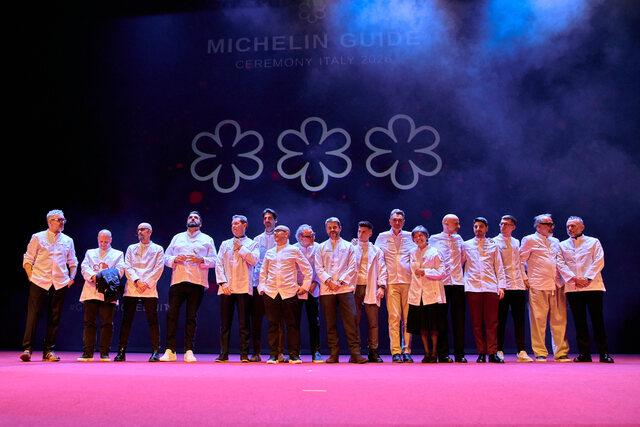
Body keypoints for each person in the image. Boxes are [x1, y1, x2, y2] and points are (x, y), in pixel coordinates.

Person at [20, 209, 78, 362]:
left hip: (59, 283)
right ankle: (27, 349)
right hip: (39, 281)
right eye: (59, 220)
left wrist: (71, 278)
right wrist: (31, 277)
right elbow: (28, 259)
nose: (62, 222)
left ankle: (49, 351)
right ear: (50, 221)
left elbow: (73, 262)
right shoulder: (38, 237)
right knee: (33, 315)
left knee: (54, 317)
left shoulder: (68, 240)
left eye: (63, 220)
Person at [160, 211, 217, 362]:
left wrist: (201, 259)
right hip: (178, 280)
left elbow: (215, 260)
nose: (192, 219)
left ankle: (189, 350)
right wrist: (174, 259)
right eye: (190, 217)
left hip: (197, 281)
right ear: (187, 221)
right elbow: (165, 257)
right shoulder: (177, 237)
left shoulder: (207, 239)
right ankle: (170, 350)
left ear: (200, 223)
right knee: (172, 315)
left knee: (191, 317)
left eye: (196, 217)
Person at [558, 216, 614, 363]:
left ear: (582, 227)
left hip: (593, 286)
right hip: (573, 287)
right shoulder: (562, 245)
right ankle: (584, 354)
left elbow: (599, 260)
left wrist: (587, 278)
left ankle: (604, 353)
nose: (570, 229)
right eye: (568, 226)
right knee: (579, 321)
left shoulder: (593, 242)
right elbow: (560, 264)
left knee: (597, 320)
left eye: (573, 226)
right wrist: (575, 279)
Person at [257, 225, 312, 364]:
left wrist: (305, 286)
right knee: (273, 325)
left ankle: (294, 355)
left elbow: (307, 269)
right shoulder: (270, 252)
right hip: (271, 292)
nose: (275, 233)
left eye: (278, 231)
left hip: (289, 292)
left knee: (292, 325)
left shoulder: (294, 250)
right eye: (274, 232)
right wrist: (262, 288)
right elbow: (263, 272)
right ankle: (273, 355)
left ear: (286, 234)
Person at [520, 214, 570, 362]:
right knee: (538, 320)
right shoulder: (529, 239)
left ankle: (561, 352)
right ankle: (540, 352)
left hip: (556, 284)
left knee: (559, 319)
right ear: (538, 226)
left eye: (551, 224)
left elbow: (560, 262)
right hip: (538, 284)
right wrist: (525, 278)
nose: (551, 226)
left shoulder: (555, 241)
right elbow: (520, 261)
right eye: (548, 224)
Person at [316, 217, 366, 364]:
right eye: (330, 227)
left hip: (345, 288)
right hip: (327, 289)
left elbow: (353, 266)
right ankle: (334, 353)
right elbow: (318, 268)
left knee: (351, 321)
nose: (332, 230)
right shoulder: (321, 247)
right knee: (330, 322)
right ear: (326, 230)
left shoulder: (349, 246)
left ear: (340, 228)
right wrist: (329, 281)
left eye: (335, 227)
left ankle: (355, 353)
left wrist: (340, 281)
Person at [115, 223, 165, 362]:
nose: (139, 232)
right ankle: (121, 352)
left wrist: (146, 283)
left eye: (142, 229)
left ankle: (155, 352)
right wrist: (137, 281)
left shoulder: (158, 249)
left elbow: (159, 268)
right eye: (138, 230)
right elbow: (127, 266)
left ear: (149, 232)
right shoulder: (131, 248)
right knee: (126, 321)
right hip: (133, 287)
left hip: (149, 289)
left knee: (152, 321)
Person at [214, 215, 259, 362]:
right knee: (225, 323)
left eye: (237, 223)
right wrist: (223, 283)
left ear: (245, 225)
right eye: (232, 224)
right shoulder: (225, 243)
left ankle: (244, 354)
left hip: (243, 287)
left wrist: (241, 248)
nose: (234, 226)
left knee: (244, 323)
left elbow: (254, 260)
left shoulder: (252, 244)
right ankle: (224, 353)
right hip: (227, 288)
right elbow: (219, 263)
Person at [462, 217, 506, 363]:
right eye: (475, 226)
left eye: (481, 226)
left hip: (490, 286)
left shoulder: (493, 245)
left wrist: (501, 286)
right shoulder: (466, 245)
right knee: (476, 322)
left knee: (492, 322)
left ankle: (492, 353)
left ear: (486, 228)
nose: (478, 229)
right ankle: (481, 353)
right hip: (473, 287)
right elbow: (459, 263)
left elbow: (499, 266)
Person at [374, 209, 415, 363]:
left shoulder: (410, 236)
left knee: (408, 318)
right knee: (394, 318)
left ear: (403, 222)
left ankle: (407, 350)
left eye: (400, 220)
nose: (397, 222)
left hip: (409, 282)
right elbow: (376, 257)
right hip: (391, 282)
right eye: (394, 220)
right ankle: (396, 351)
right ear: (390, 221)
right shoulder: (382, 237)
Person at [77, 230, 125, 362]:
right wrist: (94, 276)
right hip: (91, 290)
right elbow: (84, 267)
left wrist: (103, 275)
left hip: (108, 292)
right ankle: (88, 353)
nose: (103, 244)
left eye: (106, 241)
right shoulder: (90, 252)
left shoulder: (118, 254)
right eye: (101, 241)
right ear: (98, 239)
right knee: (89, 323)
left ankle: (104, 353)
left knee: (107, 323)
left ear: (111, 240)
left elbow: (120, 271)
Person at [493, 215, 533, 362]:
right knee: (501, 319)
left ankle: (521, 350)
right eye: (501, 224)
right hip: (503, 286)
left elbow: (519, 263)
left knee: (520, 319)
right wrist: (499, 285)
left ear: (513, 227)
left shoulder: (517, 242)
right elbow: (495, 265)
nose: (503, 226)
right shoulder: (493, 242)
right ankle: (499, 349)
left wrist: (525, 279)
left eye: (506, 224)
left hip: (518, 285)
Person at [428, 214, 465, 363]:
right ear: (445, 223)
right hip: (441, 283)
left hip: (457, 282)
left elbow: (463, 258)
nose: (458, 226)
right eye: (455, 223)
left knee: (459, 319)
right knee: (441, 320)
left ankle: (459, 353)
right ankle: (443, 354)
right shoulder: (434, 239)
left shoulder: (459, 239)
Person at [407, 226, 445, 363]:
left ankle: (434, 353)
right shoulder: (412, 252)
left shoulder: (435, 252)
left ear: (426, 236)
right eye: (415, 237)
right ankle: (426, 352)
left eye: (421, 235)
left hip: (432, 293)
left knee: (433, 326)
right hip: (417, 294)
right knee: (422, 326)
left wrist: (425, 272)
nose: (418, 238)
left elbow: (442, 272)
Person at [250, 208, 283, 362]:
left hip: (277, 284)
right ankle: (256, 353)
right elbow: (254, 262)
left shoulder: (282, 238)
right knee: (256, 319)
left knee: (277, 320)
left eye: (270, 218)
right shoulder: (256, 240)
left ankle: (278, 352)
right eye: (265, 218)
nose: (267, 220)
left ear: (275, 220)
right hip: (259, 284)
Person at [352, 221, 387, 363]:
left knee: (373, 322)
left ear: (370, 233)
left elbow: (382, 269)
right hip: (355, 288)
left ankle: (373, 351)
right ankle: (356, 352)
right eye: (359, 231)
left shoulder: (377, 250)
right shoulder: (351, 248)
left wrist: (382, 286)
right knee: (354, 321)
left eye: (364, 232)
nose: (361, 234)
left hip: (371, 287)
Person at [293, 224, 323, 363]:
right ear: (300, 237)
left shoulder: (318, 247)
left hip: (312, 288)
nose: (312, 238)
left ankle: (316, 351)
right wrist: (299, 286)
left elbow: (321, 267)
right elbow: (290, 269)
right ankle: (295, 351)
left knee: (314, 322)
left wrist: (315, 282)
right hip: (297, 289)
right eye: (309, 236)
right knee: (295, 322)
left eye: (312, 235)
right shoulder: (293, 248)